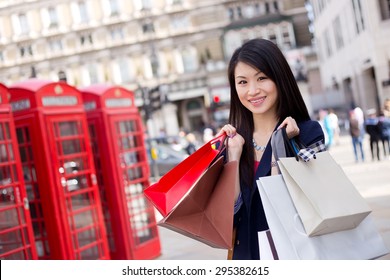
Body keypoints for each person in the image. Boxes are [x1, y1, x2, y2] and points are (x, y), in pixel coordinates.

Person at [218, 39, 325, 260]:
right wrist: (234, 157)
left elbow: (296, 207)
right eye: (242, 82)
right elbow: (229, 215)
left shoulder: (307, 133)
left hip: (292, 255)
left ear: (279, 78)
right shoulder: (234, 141)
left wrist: (280, 148)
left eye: (262, 78)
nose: (253, 90)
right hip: (245, 256)